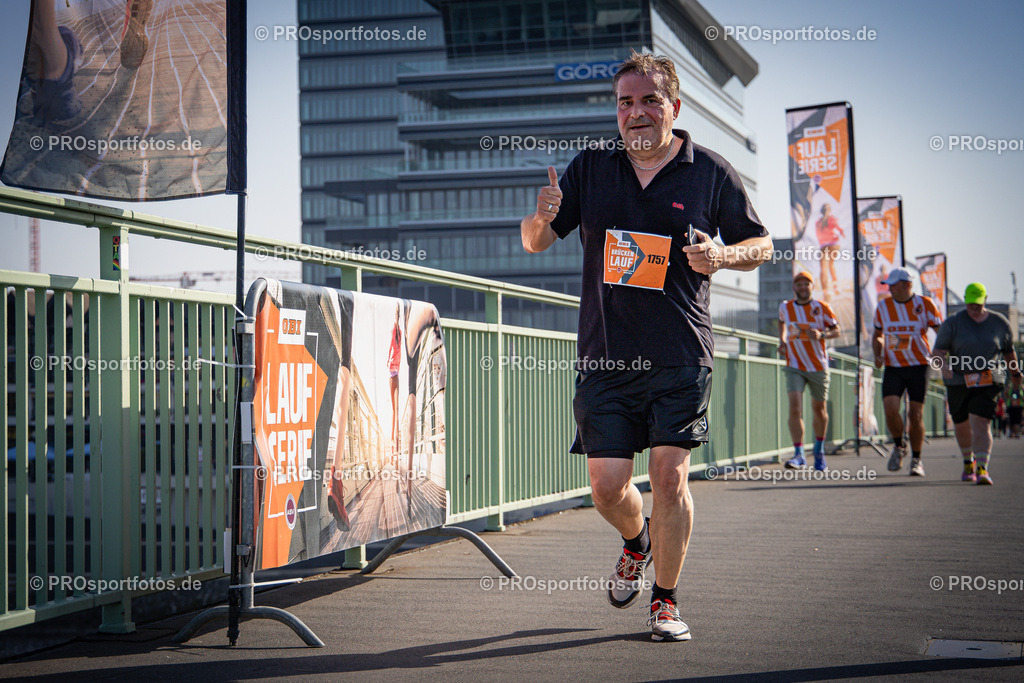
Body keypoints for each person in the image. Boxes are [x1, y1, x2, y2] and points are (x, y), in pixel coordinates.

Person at [520, 50, 772, 642]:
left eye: (649, 100)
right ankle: (637, 542)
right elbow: (536, 243)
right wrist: (539, 218)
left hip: (681, 353)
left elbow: (760, 245)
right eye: (625, 102)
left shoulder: (710, 171)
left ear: (674, 107)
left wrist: (722, 255)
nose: (636, 113)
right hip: (605, 357)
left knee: (669, 478)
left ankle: (665, 599)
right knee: (608, 486)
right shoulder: (591, 169)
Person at [932, 282, 1022, 485]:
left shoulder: (999, 323)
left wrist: (1015, 372)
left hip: (989, 379)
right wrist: (944, 367)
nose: (974, 308)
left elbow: (1008, 352)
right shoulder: (953, 323)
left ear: (985, 300)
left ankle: (982, 468)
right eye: (971, 304)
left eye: (978, 304)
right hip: (958, 381)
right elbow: (937, 353)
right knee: (962, 424)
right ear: (965, 301)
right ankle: (967, 463)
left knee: (980, 421)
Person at [872, 268, 943, 477]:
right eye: (889, 286)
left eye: (894, 285)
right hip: (893, 366)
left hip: (919, 365)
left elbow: (942, 332)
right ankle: (898, 445)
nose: (890, 289)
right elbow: (877, 335)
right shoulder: (883, 306)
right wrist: (877, 352)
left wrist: (941, 357)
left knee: (915, 413)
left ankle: (917, 459)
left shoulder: (925, 304)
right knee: (890, 409)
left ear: (907, 285)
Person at [778, 271, 840, 471]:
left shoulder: (822, 308)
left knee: (819, 409)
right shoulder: (785, 307)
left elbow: (836, 330)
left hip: (818, 366)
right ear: (794, 288)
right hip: (794, 363)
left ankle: (819, 451)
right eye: (799, 284)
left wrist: (822, 334)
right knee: (795, 408)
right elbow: (781, 321)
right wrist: (782, 339)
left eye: (806, 284)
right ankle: (799, 454)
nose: (803, 287)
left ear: (812, 286)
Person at [815, 203, 844, 302]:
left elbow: (818, 235)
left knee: (824, 267)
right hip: (834, 244)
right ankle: (835, 286)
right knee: (831, 265)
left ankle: (825, 291)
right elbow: (840, 230)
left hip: (825, 245)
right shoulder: (832, 219)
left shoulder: (819, 222)